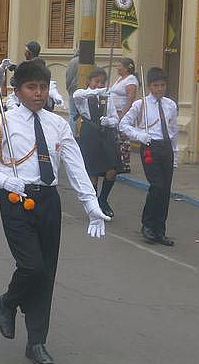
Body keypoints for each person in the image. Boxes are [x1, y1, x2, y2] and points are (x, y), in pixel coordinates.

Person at [0, 58, 109, 364]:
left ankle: (36, 341)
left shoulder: (57, 124)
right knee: (31, 266)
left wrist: (91, 204)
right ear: (17, 91)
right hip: (16, 198)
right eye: (32, 87)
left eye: (43, 87)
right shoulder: (2, 122)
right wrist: (5, 180)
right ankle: (8, 302)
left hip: (48, 202)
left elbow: (74, 165)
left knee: (47, 274)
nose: (39, 93)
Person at [118, 67, 179, 246]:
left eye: (162, 85)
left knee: (166, 190)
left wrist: (175, 155)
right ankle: (148, 225)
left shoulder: (170, 105)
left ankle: (160, 230)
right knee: (157, 186)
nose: (159, 89)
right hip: (150, 147)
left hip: (166, 148)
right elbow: (124, 125)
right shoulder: (140, 104)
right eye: (155, 85)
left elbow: (173, 131)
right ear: (149, 86)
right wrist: (139, 135)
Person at [72, 68, 120, 218]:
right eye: (96, 81)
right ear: (89, 81)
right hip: (90, 134)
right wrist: (96, 92)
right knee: (93, 172)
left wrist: (109, 121)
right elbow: (76, 95)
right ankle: (95, 205)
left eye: (102, 82)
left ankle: (103, 200)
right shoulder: (83, 96)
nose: (99, 85)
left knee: (111, 171)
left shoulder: (107, 98)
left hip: (106, 135)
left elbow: (115, 118)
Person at [108, 57, 139, 174]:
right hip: (114, 113)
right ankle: (116, 163)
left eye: (120, 65)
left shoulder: (131, 80)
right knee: (116, 139)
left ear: (126, 68)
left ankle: (124, 165)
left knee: (123, 140)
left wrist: (123, 115)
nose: (117, 67)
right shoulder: (120, 79)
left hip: (122, 113)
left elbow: (130, 99)